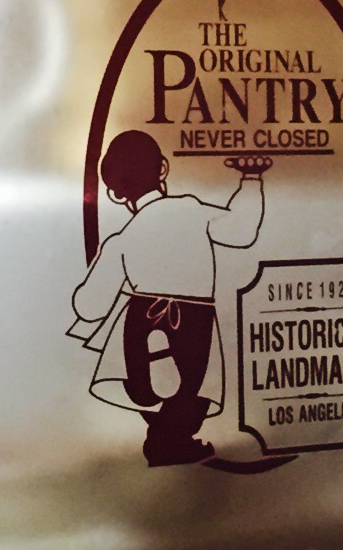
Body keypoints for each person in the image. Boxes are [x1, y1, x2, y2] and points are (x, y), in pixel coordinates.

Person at [69, 130, 272, 466]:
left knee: (157, 386)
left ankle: (160, 425)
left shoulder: (123, 238)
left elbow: (89, 306)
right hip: (192, 316)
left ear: (115, 192)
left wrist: (85, 296)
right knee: (193, 389)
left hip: (141, 316)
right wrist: (251, 180)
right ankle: (168, 440)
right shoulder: (190, 210)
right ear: (162, 168)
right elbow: (240, 231)